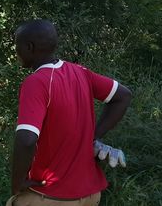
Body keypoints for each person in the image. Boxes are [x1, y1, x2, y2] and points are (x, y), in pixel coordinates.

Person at [8, 19, 131, 205]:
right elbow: (123, 95)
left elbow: (26, 139)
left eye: (17, 45)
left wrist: (18, 182)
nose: (16, 51)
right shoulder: (80, 72)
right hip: (90, 196)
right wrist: (93, 136)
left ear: (29, 47)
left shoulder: (36, 82)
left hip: (49, 196)